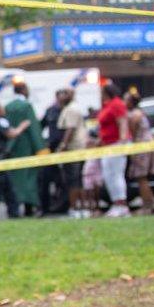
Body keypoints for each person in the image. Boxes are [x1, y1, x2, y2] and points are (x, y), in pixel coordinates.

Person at [0, 102, 30, 219]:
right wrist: (22, 126)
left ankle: (13, 213)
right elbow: (11, 134)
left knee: (7, 186)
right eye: (2, 108)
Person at [6, 82, 46, 217]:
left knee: (17, 179)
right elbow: (34, 129)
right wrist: (41, 148)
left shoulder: (8, 107)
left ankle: (16, 207)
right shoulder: (26, 106)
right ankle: (29, 207)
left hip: (13, 148)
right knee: (30, 178)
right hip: (27, 148)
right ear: (23, 90)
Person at [125, 89, 154, 215]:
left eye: (125, 99)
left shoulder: (134, 115)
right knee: (143, 177)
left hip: (141, 146)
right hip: (148, 144)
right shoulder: (140, 113)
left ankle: (147, 207)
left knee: (141, 177)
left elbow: (133, 133)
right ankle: (152, 202)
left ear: (131, 102)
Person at [97, 83, 132, 218]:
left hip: (116, 143)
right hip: (107, 144)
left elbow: (122, 122)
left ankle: (122, 204)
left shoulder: (117, 104)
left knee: (116, 174)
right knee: (108, 175)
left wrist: (123, 141)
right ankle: (115, 203)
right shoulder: (107, 105)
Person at [55, 88, 89, 218]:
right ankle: (82, 208)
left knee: (73, 180)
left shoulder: (71, 109)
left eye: (65, 94)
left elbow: (70, 129)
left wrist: (62, 146)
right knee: (79, 180)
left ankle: (75, 208)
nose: (61, 96)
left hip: (74, 149)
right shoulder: (72, 108)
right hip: (79, 148)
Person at [38, 91, 68, 215]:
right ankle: (45, 208)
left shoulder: (68, 111)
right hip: (51, 150)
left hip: (66, 151)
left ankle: (64, 206)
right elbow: (40, 126)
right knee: (45, 179)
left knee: (65, 180)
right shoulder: (50, 110)